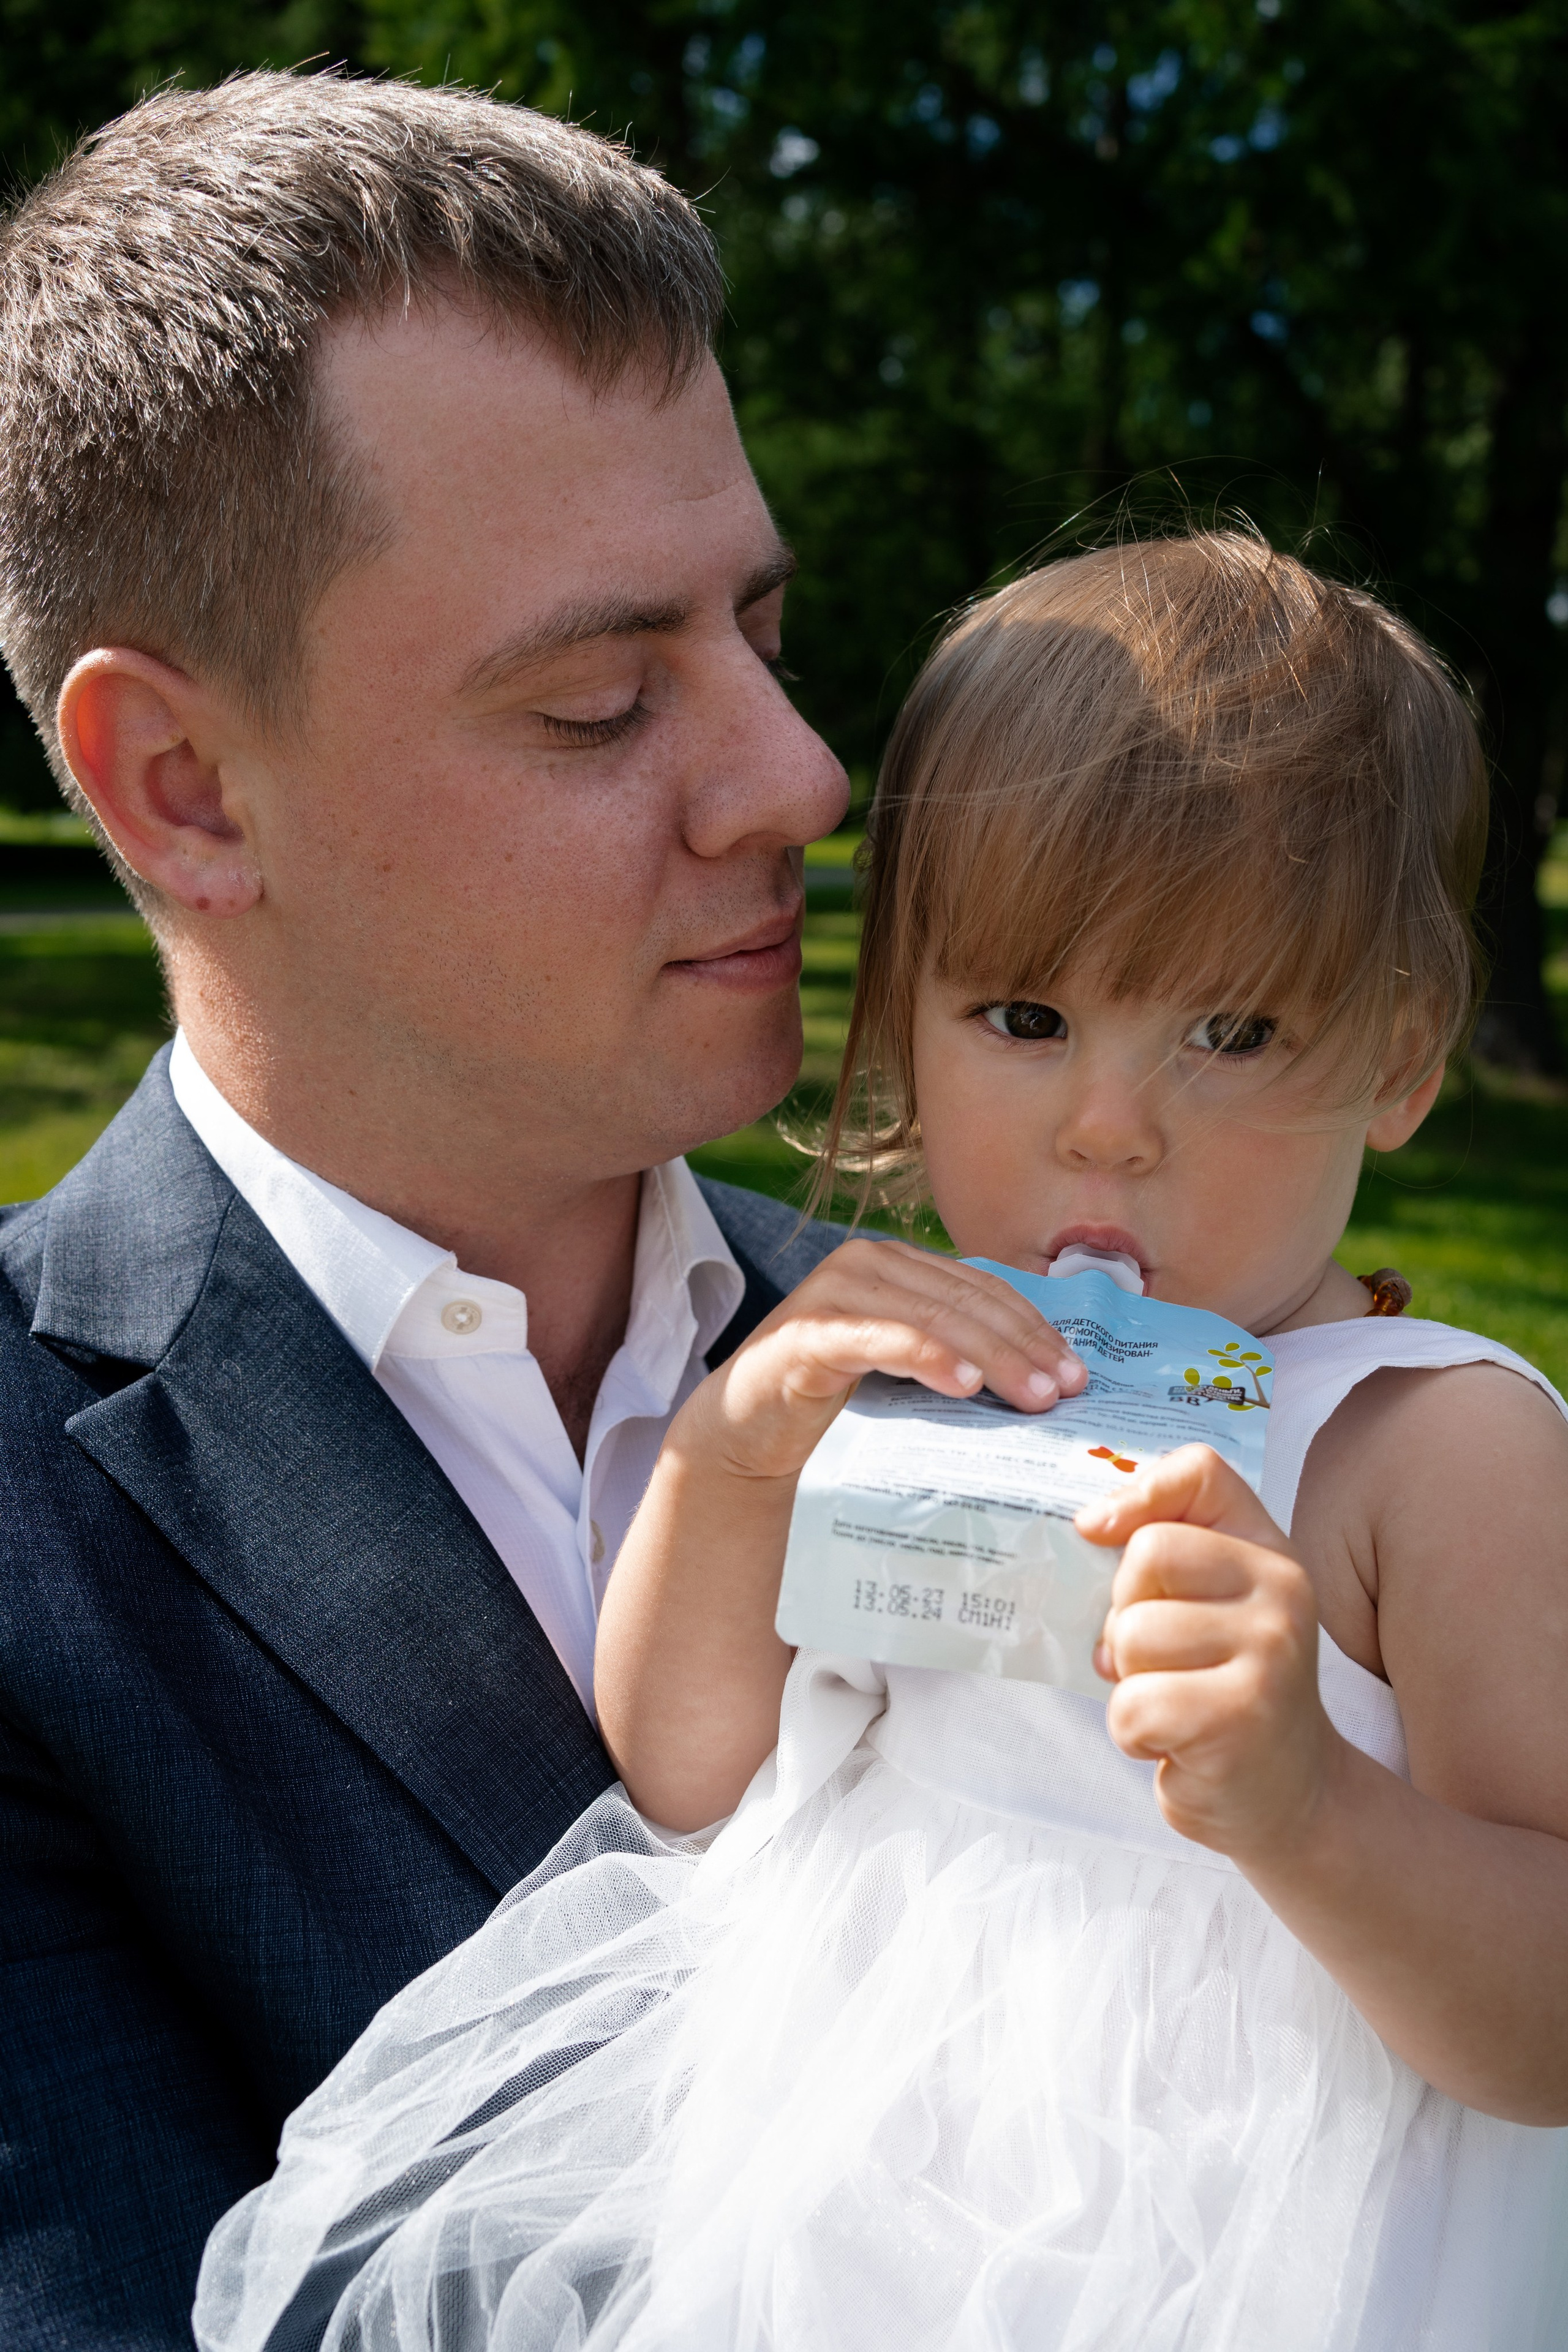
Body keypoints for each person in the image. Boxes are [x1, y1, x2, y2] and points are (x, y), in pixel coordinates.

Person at [197, 532, 1568, 2351]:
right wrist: (738, 1460)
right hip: (852, 2201)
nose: (1108, 1128)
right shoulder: (906, 1377)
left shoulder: (1429, 1450)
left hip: (1247, 2239)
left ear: (1400, 1056)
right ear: (900, 1029)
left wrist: (1314, 1807)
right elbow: (694, 1771)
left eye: (1232, 1032)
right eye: (1024, 1018)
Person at [0, 70, 930, 2350]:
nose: (806, 781)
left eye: (762, 629)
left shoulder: (956, 1354)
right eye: (605, 704)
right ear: (190, 788)